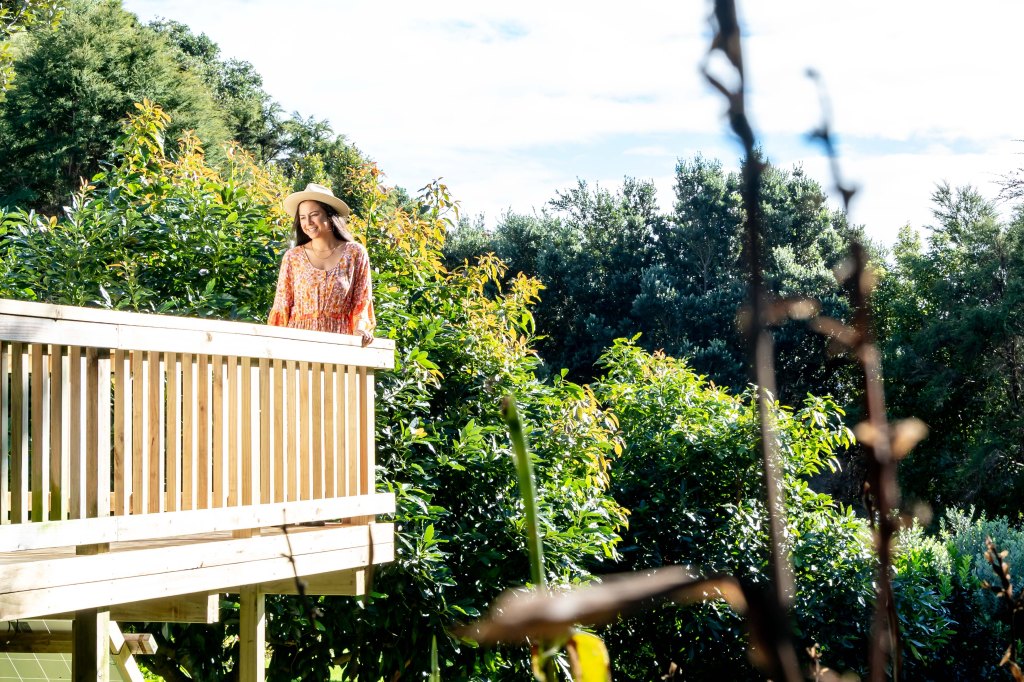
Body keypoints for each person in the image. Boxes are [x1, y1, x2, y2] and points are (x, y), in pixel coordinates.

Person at [268, 183, 375, 346]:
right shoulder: (293, 257)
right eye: (302, 217)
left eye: (314, 214)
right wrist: (272, 344)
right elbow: (282, 305)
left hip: (339, 346)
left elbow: (362, 300)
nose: (308, 222)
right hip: (296, 345)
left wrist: (360, 329)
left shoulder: (355, 253)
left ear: (330, 216)